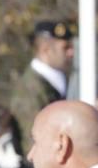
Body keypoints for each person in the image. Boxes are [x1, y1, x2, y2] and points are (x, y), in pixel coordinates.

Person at [10, 21, 73, 150]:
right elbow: (34, 144)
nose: (71, 53)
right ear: (46, 49)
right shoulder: (31, 89)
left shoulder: (55, 83)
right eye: (65, 48)